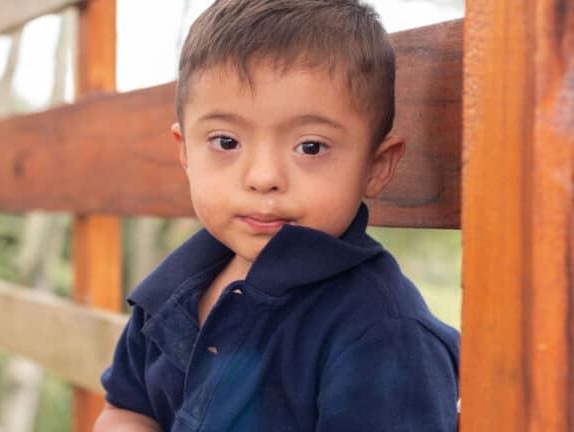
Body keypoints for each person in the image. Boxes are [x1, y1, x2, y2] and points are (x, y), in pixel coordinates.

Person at [94, 0, 460, 430]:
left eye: (310, 147)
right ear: (186, 152)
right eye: (226, 142)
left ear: (376, 166)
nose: (263, 177)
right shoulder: (173, 290)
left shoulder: (383, 332)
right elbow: (125, 408)